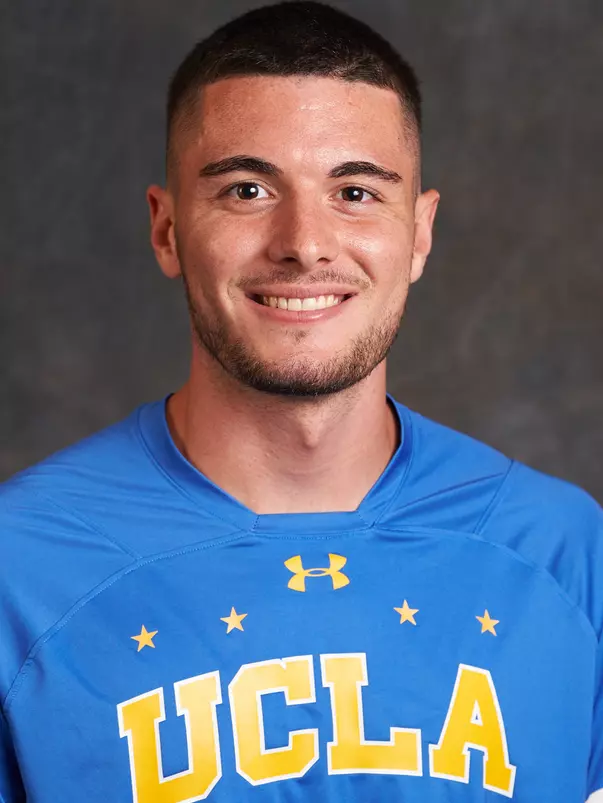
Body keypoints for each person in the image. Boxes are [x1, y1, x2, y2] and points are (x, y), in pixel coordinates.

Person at [1, 1, 602, 800]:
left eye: (355, 192)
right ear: (167, 229)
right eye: (247, 189)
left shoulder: (564, 553)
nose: (304, 243)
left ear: (418, 233)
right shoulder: (21, 569)